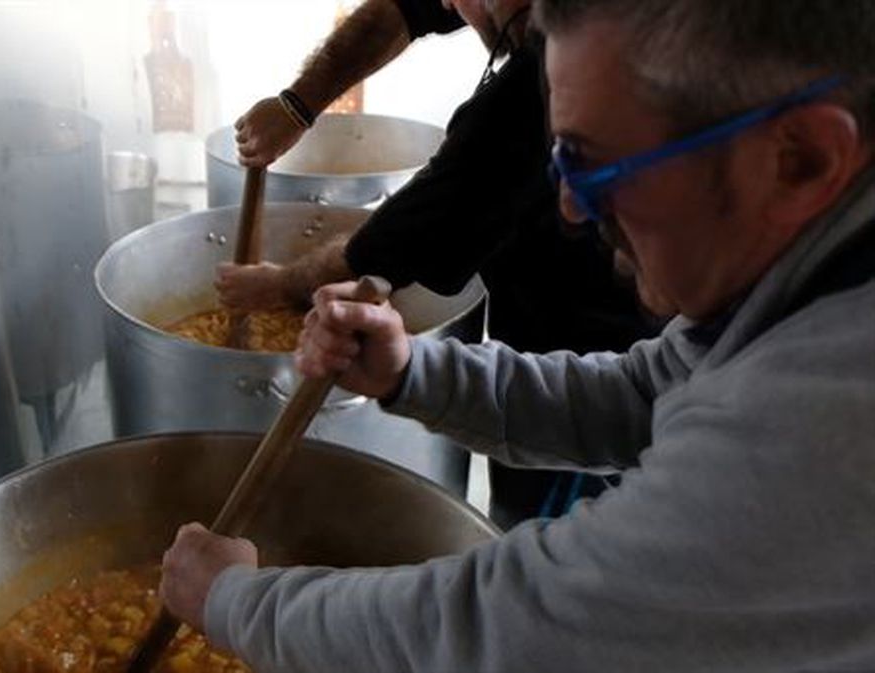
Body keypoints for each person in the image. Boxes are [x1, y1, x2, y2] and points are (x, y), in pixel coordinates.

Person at [158, 1, 875, 670]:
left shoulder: (827, 415)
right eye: (560, 158)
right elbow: (642, 393)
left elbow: (511, 625)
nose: (567, 204)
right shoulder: (804, 276)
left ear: (801, 159)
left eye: (596, 162)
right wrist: (413, 373)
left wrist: (232, 601)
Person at [223, 0, 660, 529]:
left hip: (604, 338)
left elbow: (396, 242)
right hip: (553, 359)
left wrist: (282, 284)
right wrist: (296, 106)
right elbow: (396, 12)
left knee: (548, 526)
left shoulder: (542, 77)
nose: (448, 5)